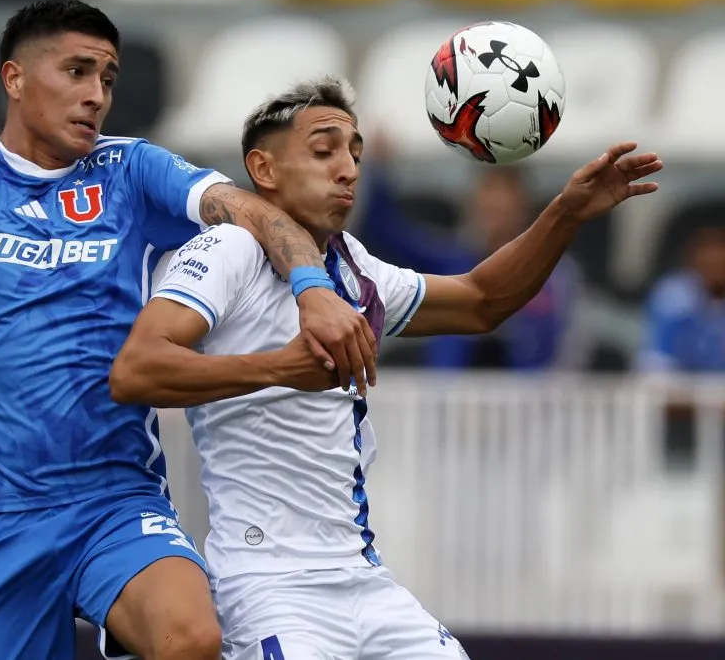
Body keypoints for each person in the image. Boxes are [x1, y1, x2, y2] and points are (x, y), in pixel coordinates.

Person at [0, 0, 375, 660]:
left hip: (113, 499)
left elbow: (253, 211)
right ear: (14, 79)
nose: (96, 95)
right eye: (77, 72)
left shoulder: (131, 170)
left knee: (191, 637)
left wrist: (313, 288)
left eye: (107, 78)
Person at [110, 76, 662, 659]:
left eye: (354, 153)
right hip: (268, 583)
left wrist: (566, 213)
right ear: (264, 170)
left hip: (362, 576)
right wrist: (279, 368)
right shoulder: (227, 250)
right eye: (324, 151)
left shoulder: (354, 267)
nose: (348, 169)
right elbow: (137, 371)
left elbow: (481, 301)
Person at [359, 150, 584, 370]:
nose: (495, 203)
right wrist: (379, 171)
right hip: (449, 398)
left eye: (504, 194)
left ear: (523, 203)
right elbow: (386, 231)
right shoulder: (450, 262)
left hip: (528, 401)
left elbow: (565, 350)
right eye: (488, 191)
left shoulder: (553, 273)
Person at [638, 225, 725, 372]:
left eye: (720, 265)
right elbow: (657, 361)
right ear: (694, 260)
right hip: (679, 384)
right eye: (709, 263)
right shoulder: (674, 296)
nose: (715, 270)